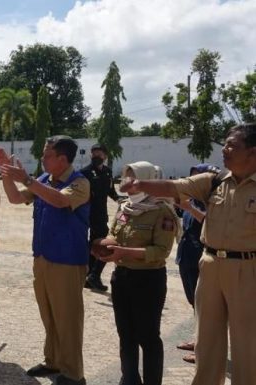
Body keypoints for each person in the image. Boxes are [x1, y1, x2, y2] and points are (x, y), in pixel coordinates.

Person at [119, 122, 256, 385]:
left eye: (233, 145)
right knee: (207, 338)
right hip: (211, 264)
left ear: (252, 151)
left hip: (248, 269)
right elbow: (174, 187)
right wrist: (141, 184)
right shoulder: (214, 181)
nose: (225, 149)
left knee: (247, 342)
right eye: (225, 143)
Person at [0, 135, 89, 385]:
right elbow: (16, 198)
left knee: (68, 318)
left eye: (47, 155)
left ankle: (72, 374)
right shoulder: (45, 180)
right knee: (49, 315)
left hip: (67, 260)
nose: (42, 159)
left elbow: (60, 200)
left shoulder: (79, 182)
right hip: (43, 257)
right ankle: (53, 361)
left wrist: (26, 178)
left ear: (62, 159)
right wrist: (6, 173)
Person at [94, 161, 178, 385]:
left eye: (133, 178)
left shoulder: (162, 210)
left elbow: (161, 252)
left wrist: (123, 251)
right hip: (122, 278)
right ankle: (129, 379)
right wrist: (104, 246)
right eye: (125, 177)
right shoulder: (124, 207)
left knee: (148, 338)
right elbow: (114, 233)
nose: (126, 182)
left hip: (148, 280)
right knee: (126, 336)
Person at [173, 163, 220, 364]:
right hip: (187, 256)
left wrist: (189, 208)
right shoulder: (191, 200)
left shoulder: (214, 201)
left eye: (196, 179)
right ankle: (199, 341)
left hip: (202, 258)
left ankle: (206, 351)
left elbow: (210, 224)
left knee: (206, 307)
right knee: (195, 303)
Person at [81, 143, 121, 291]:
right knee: (104, 244)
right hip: (87, 213)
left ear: (105, 156)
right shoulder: (84, 172)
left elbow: (110, 190)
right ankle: (94, 275)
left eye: (99, 154)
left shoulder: (107, 172)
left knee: (95, 244)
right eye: (94, 154)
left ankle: (90, 276)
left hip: (101, 213)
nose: (96, 156)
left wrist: (118, 199)